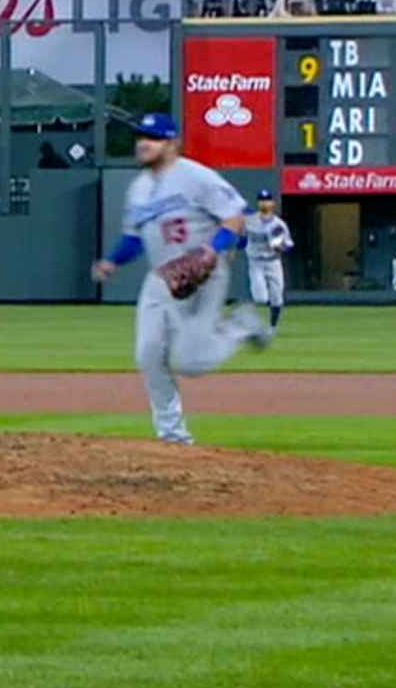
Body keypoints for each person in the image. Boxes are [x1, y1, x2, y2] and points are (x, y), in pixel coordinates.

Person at [90, 113, 267, 445]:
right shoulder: (139, 189)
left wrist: (214, 250)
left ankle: (241, 325)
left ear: (171, 144)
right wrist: (112, 261)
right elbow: (134, 238)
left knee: (191, 362)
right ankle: (172, 434)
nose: (143, 143)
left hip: (204, 276)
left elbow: (236, 217)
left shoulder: (196, 177)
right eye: (141, 136)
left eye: (153, 137)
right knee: (148, 353)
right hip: (160, 280)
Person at [242, 188, 293, 327]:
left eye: (267, 200)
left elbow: (289, 245)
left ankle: (272, 327)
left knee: (277, 298)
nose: (264, 203)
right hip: (256, 262)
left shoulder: (279, 224)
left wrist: (280, 247)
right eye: (262, 200)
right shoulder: (249, 221)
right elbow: (241, 237)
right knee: (260, 297)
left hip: (273, 262)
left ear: (272, 204)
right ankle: (249, 319)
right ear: (258, 204)